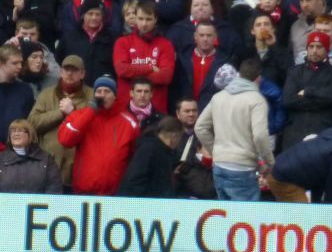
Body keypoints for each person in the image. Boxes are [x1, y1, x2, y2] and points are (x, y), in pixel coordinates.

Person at [194, 58, 273, 201]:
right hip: (243, 168)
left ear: (239, 74)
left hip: (219, 165)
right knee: (244, 220)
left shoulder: (218, 97)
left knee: (227, 218)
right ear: (258, 78)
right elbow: (260, 136)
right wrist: (269, 162)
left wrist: (216, 151)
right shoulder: (256, 100)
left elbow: (200, 127)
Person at [57, 73, 140, 194]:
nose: (102, 95)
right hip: (84, 192)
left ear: (115, 96)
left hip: (115, 194)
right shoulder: (81, 115)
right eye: (99, 91)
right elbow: (66, 139)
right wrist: (91, 111)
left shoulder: (129, 122)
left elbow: (135, 156)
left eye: (107, 91)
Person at [27, 53, 92, 183]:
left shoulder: (91, 96)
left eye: (74, 70)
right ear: (61, 72)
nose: (69, 73)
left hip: (78, 165)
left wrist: (73, 113)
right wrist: (60, 113)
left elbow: (95, 129)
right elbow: (31, 124)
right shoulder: (47, 94)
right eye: (66, 70)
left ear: (82, 74)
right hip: (48, 164)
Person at [281, 30, 332, 150]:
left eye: (319, 47)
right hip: (295, 132)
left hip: (323, 131)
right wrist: (321, 102)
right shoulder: (295, 71)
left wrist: (307, 92)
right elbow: (288, 100)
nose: (314, 50)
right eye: (311, 46)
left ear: (327, 49)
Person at [112, 0, 175, 114]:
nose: (144, 23)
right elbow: (121, 69)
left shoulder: (165, 44)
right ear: (135, 18)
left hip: (156, 111)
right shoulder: (122, 42)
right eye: (141, 19)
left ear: (155, 20)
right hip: (125, 110)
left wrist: (132, 75)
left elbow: (166, 76)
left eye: (148, 19)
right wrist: (150, 68)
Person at [0, 118, 63, 192]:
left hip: (37, 207)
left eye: (20, 130)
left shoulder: (46, 159)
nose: (16, 134)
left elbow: (54, 188)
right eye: (13, 131)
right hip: (5, 207)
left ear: (30, 134)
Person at [170, 20, 231, 110]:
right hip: (186, 110)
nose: (205, 39)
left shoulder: (225, 61)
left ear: (215, 37)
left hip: (212, 110)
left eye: (209, 35)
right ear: (195, 37)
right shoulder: (182, 59)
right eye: (201, 35)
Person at [117, 114, 182, 194]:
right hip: (142, 203)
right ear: (174, 136)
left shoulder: (161, 150)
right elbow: (136, 179)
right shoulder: (149, 149)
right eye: (180, 138)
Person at [57, 0, 115, 82]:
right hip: (76, 87)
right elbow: (59, 59)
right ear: (83, 15)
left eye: (97, 14)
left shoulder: (112, 38)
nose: (94, 17)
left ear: (102, 16)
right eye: (90, 14)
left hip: (101, 89)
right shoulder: (70, 37)